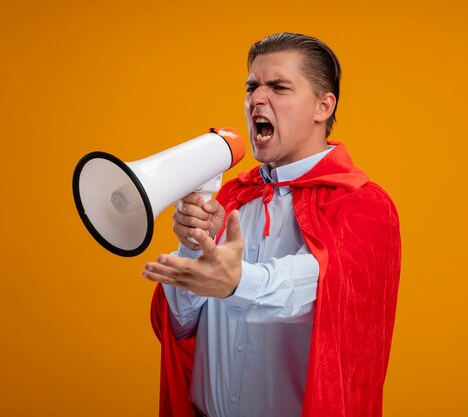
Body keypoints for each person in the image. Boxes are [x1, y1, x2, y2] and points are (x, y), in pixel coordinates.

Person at [143, 32, 401, 417]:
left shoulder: (362, 204)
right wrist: (194, 247)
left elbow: (313, 287)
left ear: (323, 106)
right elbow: (180, 328)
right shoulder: (231, 198)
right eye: (252, 86)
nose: (256, 100)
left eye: (278, 87)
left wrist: (235, 282)